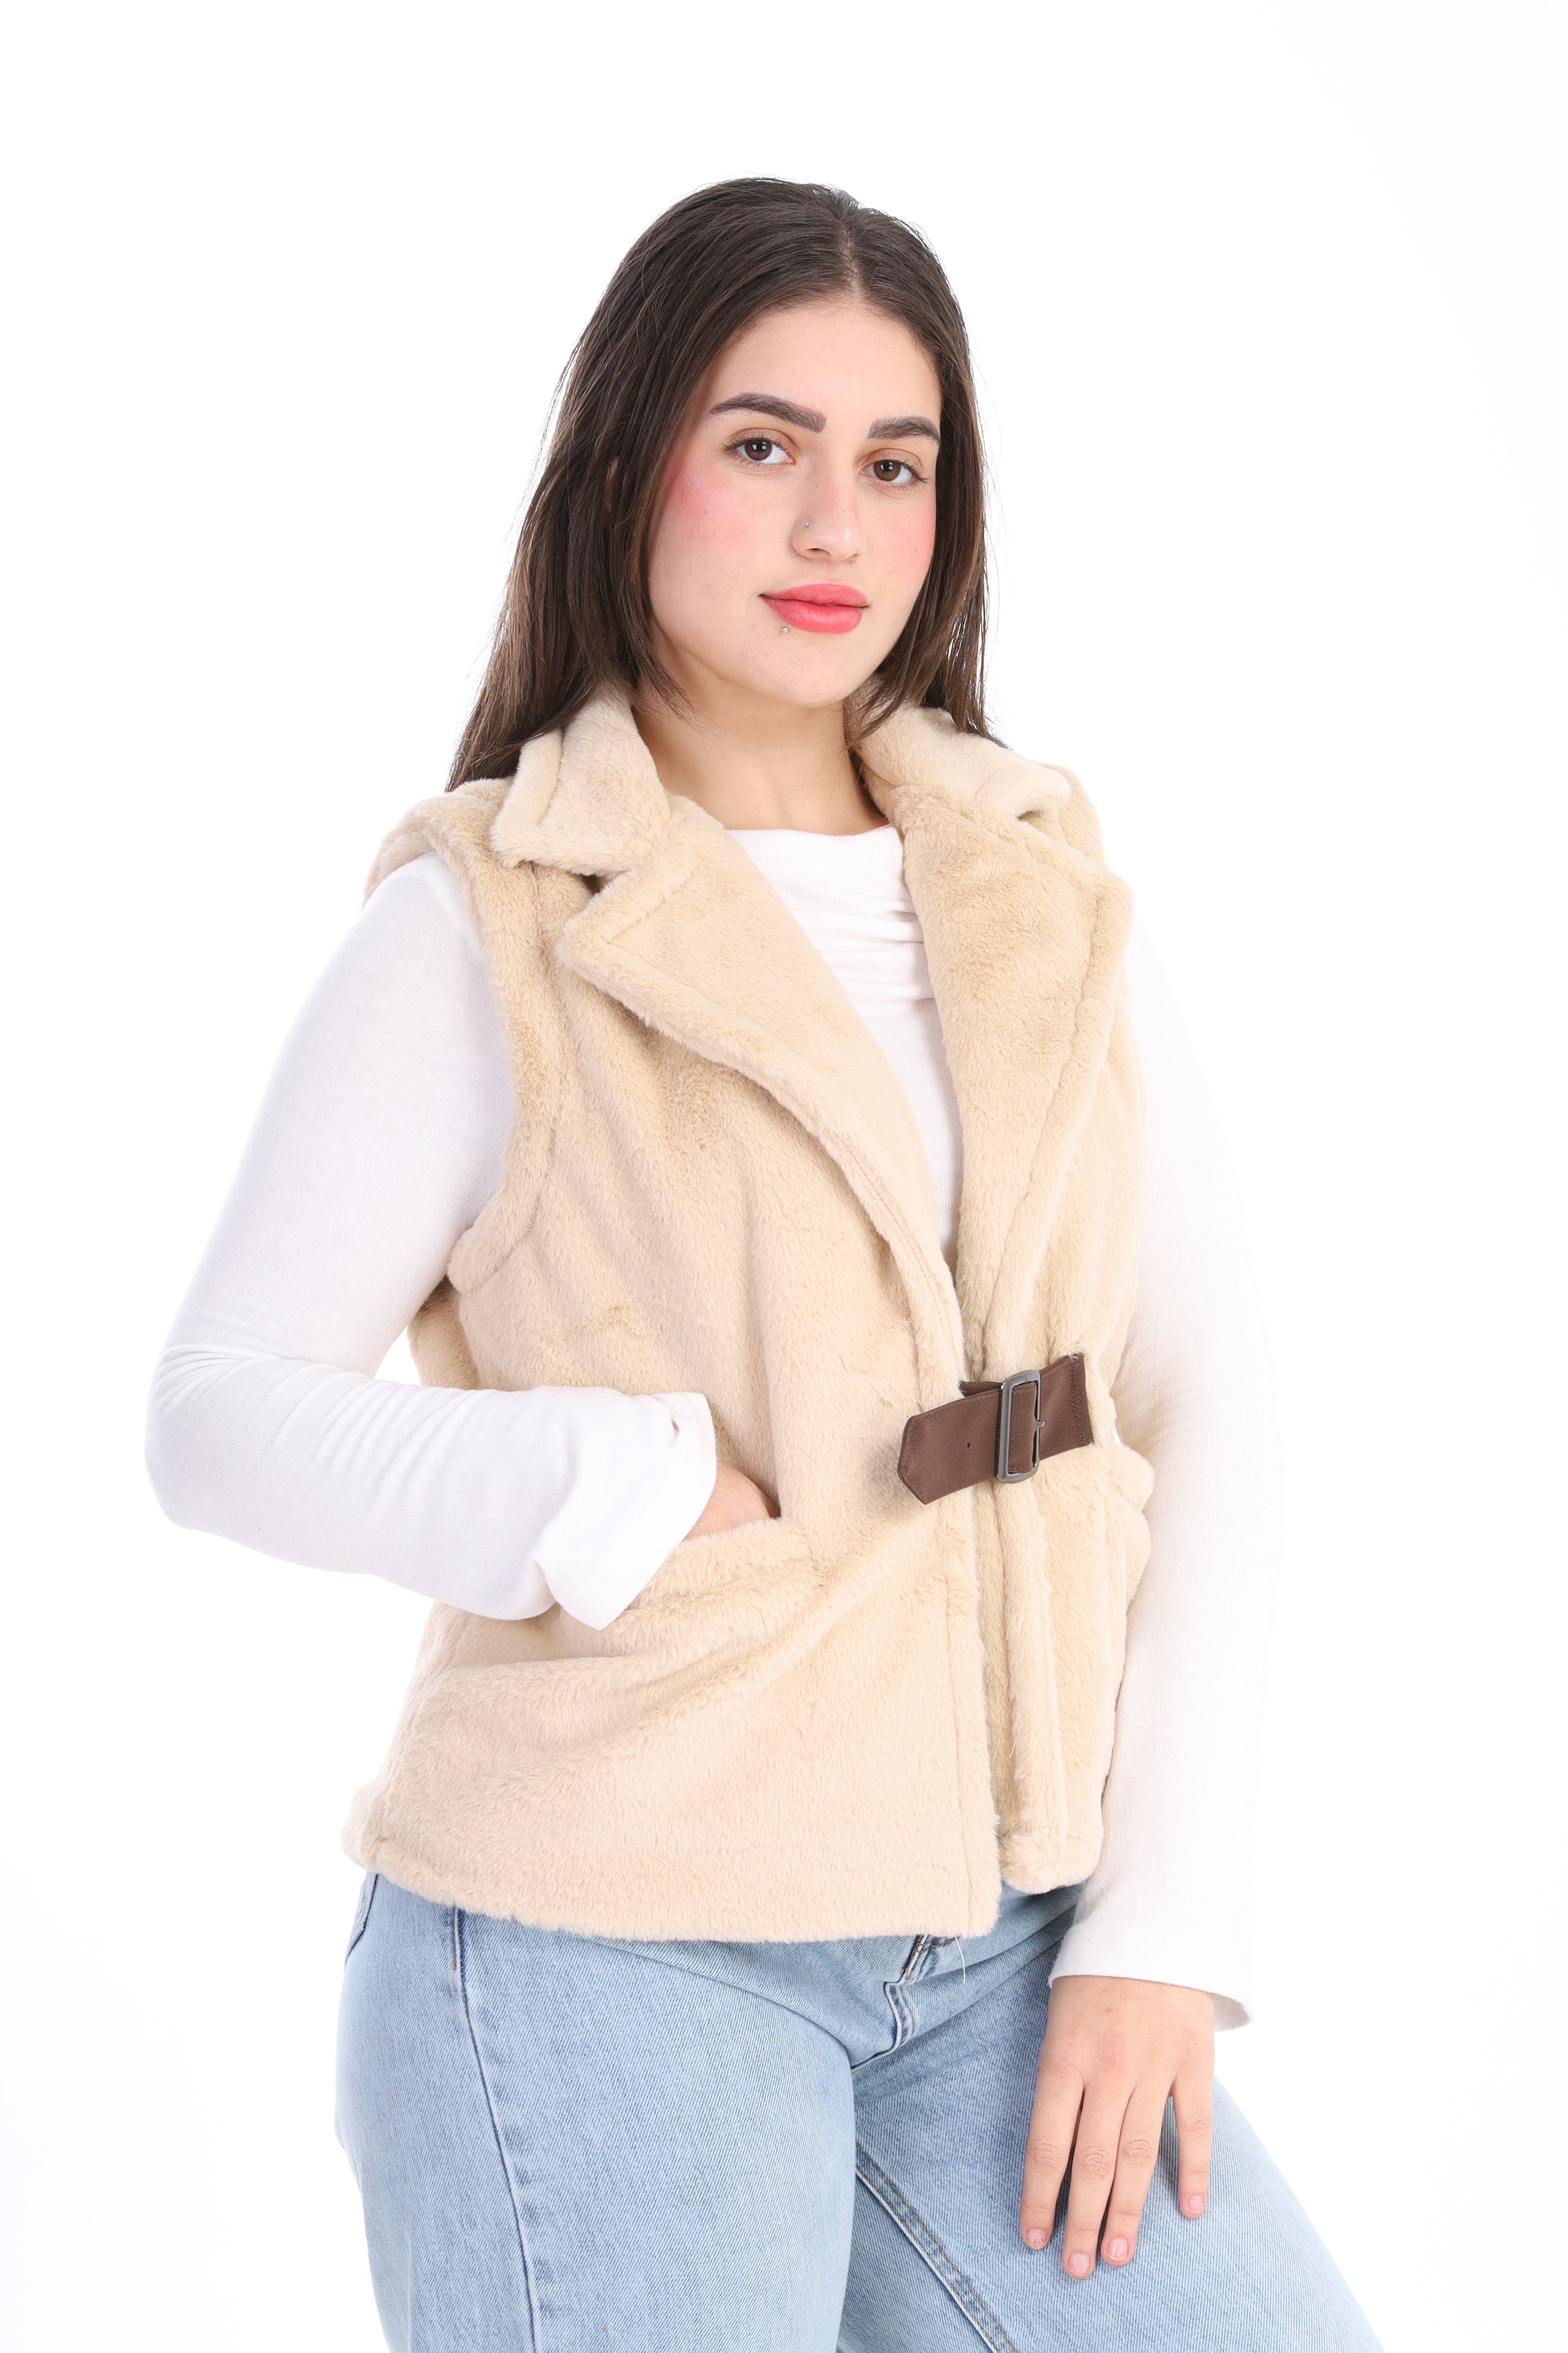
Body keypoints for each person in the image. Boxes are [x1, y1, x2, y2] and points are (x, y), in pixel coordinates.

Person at [147, 178, 1381, 2351]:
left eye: (896, 463)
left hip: (1006, 1942)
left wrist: (1160, 1928)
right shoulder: (486, 919)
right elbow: (218, 1413)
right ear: (628, 463)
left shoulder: (1039, 885)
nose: (835, 524)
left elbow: (1209, 1393)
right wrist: (612, 1484)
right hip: (608, 1940)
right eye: (762, 443)